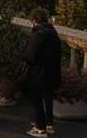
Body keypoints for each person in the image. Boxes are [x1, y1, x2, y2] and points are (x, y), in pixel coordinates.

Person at [23, 8, 62, 137]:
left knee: (37, 100)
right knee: (48, 98)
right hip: (52, 71)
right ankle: (49, 124)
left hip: (39, 72)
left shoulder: (38, 35)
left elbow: (30, 56)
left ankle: (40, 128)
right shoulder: (53, 33)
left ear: (34, 21)